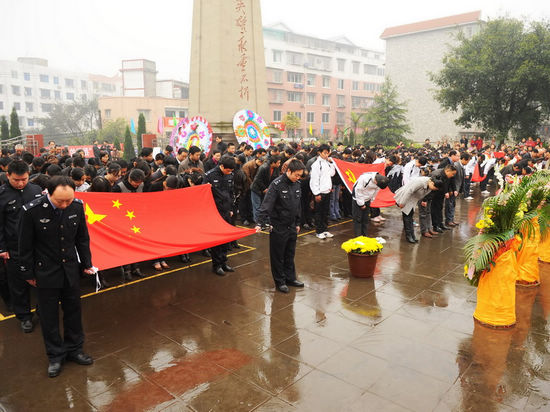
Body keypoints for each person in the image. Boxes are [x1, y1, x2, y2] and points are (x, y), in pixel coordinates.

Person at [18, 176, 95, 377]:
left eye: (68, 200)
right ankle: (55, 355)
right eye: (60, 201)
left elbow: (82, 238)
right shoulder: (32, 211)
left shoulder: (77, 207)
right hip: (45, 271)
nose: (64, 205)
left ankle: (75, 349)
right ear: (48, 193)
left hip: (70, 270)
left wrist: (86, 263)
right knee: (49, 316)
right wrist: (27, 272)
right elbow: (24, 245)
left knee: (73, 312)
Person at [0, 161, 43, 331]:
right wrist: (2, 248)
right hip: (14, 248)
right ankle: (24, 316)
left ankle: (42, 310)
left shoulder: (36, 190)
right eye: (16, 180)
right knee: (18, 285)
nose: (20, 183)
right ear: (8, 175)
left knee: (42, 280)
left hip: (37, 246)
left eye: (24, 179)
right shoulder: (1, 195)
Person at [256, 159, 306, 293]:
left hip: (291, 226)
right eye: (296, 175)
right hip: (279, 225)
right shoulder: (276, 184)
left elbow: (297, 205)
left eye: (300, 175)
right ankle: (280, 281)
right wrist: (260, 222)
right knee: (278, 255)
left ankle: (290, 278)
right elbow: (267, 204)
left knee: (290, 253)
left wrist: (297, 222)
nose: (298, 177)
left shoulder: (297, 184)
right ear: (288, 171)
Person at [205, 155, 236, 276]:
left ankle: (223, 262)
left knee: (226, 239)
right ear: (221, 166)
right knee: (217, 240)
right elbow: (204, 195)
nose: (229, 173)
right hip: (215, 212)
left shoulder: (230, 175)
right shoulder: (210, 176)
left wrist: (231, 208)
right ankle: (216, 265)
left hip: (227, 211)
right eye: (228, 170)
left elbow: (231, 192)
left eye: (231, 171)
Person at [394, 177, 444, 243]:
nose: (434, 190)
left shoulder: (429, 185)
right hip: (405, 197)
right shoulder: (420, 182)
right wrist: (402, 203)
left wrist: (424, 200)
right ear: (432, 183)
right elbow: (409, 191)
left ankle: (412, 235)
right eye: (435, 188)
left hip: (413, 199)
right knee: (407, 217)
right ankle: (409, 236)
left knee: (410, 217)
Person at [309, 144, 336, 239]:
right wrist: (316, 193)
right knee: (319, 212)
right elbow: (314, 180)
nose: (326, 155)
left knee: (325, 212)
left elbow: (332, 174)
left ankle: (325, 230)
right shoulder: (316, 165)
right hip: (320, 192)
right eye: (324, 153)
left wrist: (332, 163)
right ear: (319, 153)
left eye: (327, 153)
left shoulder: (327, 163)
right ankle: (319, 231)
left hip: (327, 191)